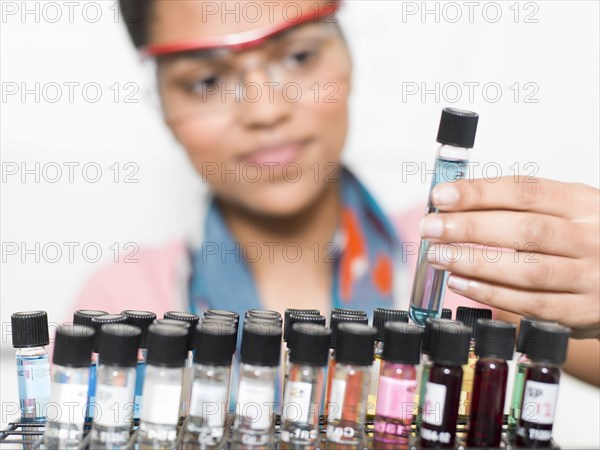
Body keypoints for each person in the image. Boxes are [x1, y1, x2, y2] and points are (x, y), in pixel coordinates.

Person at [73, 0, 599, 386]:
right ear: (162, 107)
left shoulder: (465, 258)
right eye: (207, 81)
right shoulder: (123, 305)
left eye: (299, 56)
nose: (265, 110)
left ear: (349, 62)